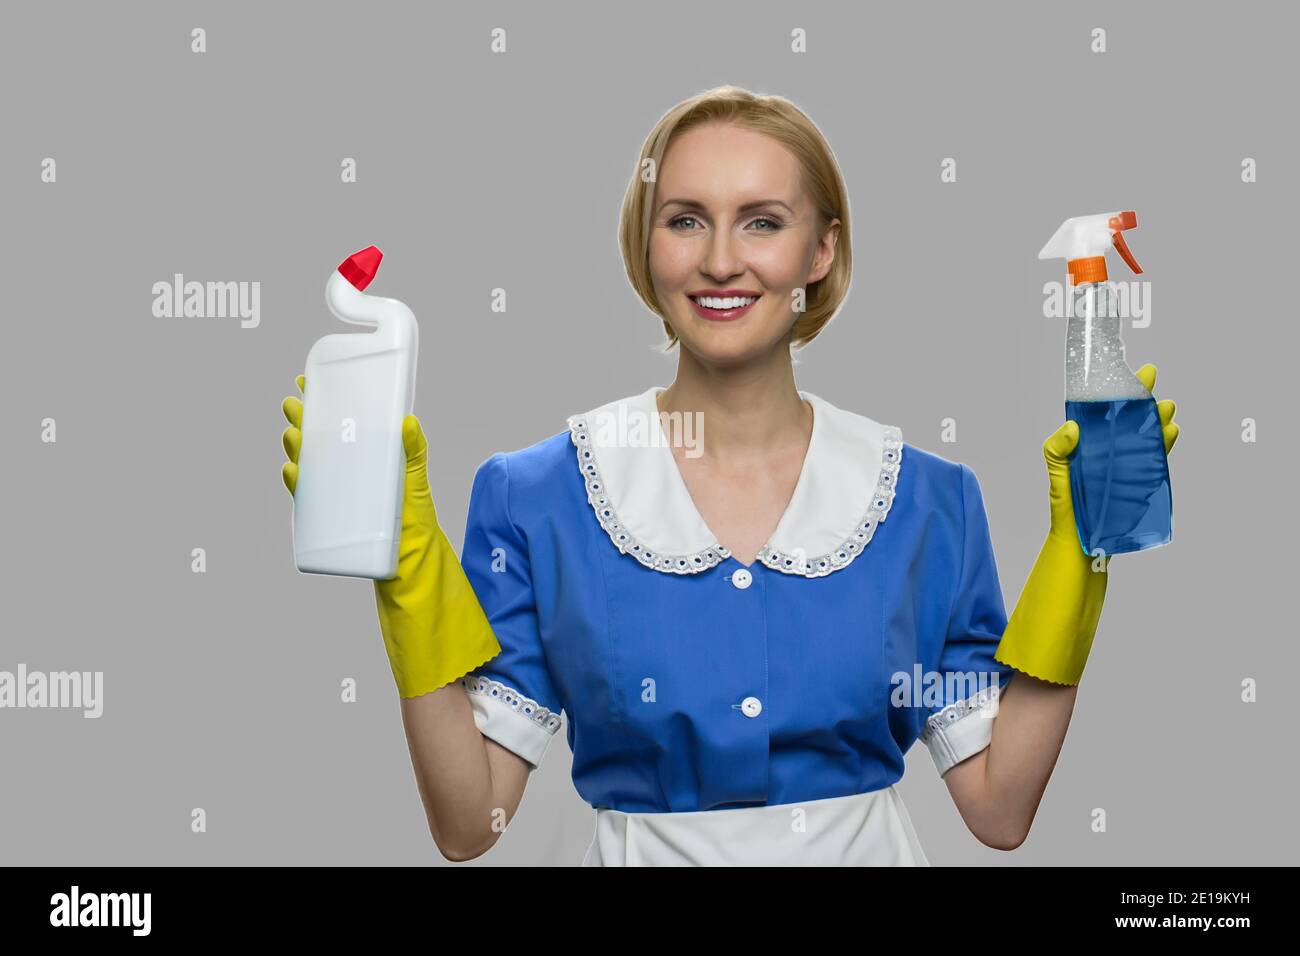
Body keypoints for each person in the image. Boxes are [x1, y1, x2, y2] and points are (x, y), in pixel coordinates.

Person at [279, 85, 1180, 866]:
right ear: (647, 245)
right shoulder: (536, 497)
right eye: (684, 220)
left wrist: (1082, 558)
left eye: (763, 221)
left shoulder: (928, 504)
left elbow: (999, 808)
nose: (719, 260)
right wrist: (404, 574)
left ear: (819, 253)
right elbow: (469, 824)